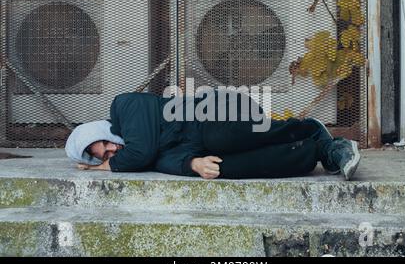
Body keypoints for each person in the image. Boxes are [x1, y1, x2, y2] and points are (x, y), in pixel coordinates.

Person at [65, 91, 361, 180]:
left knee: (218, 139)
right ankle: (315, 150)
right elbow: (156, 159)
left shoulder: (124, 107)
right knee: (217, 168)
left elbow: (143, 153)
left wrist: (105, 168)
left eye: (104, 143)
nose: (110, 151)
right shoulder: (146, 153)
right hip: (208, 139)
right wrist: (191, 165)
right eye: (103, 154)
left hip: (221, 110)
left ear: (102, 129)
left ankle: (306, 127)